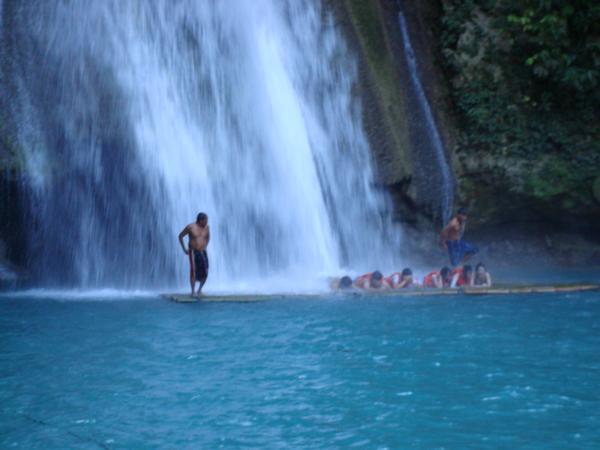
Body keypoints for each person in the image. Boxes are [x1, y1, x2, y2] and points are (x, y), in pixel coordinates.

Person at [178, 212, 210, 297]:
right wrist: (184, 249)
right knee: (193, 271)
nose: (207, 222)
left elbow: (208, 237)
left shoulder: (207, 227)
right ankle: (192, 292)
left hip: (203, 252)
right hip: (193, 252)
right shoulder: (190, 227)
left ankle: (199, 290)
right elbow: (180, 236)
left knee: (206, 272)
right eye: (205, 220)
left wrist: (204, 245)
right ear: (200, 220)